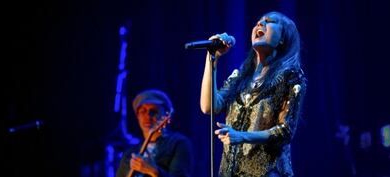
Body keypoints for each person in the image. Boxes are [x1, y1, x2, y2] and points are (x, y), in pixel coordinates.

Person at [200, 11, 307, 177]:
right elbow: (209, 107)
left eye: (269, 21)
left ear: (282, 39)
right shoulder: (242, 75)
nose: (260, 24)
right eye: (258, 22)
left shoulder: (290, 76)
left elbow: (285, 131)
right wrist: (212, 58)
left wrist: (241, 136)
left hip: (267, 172)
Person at [116, 89, 194, 177]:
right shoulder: (129, 153)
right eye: (143, 111)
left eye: (153, 111)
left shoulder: (178, 143)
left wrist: (154, 171)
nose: (148, 116)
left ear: (165, 117)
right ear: (137, 117)